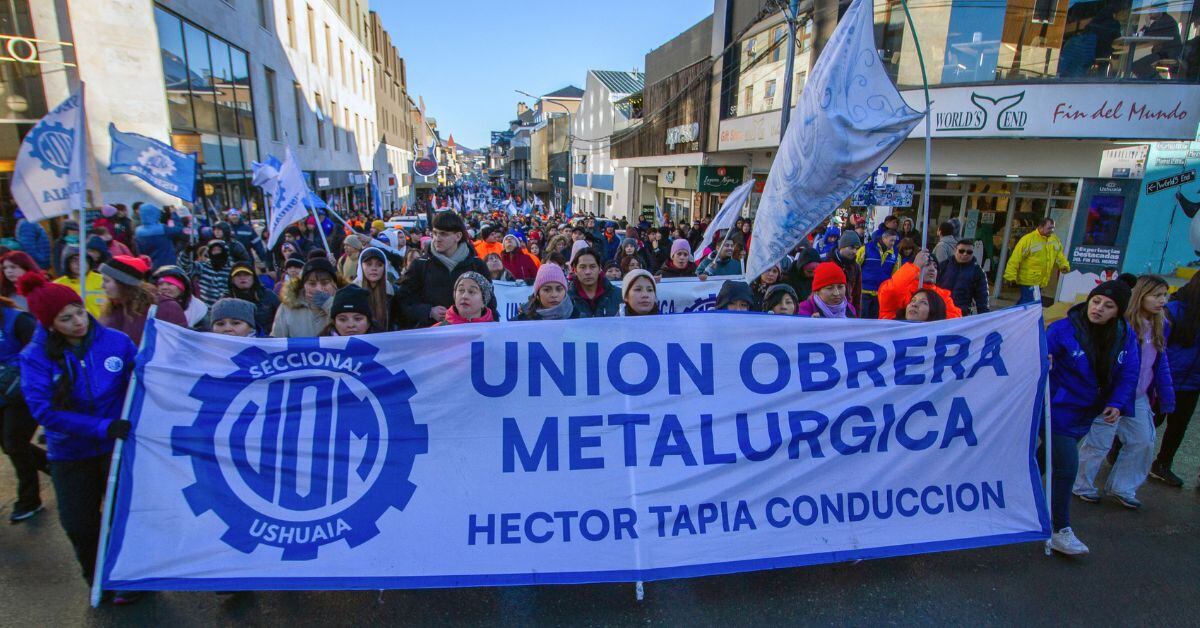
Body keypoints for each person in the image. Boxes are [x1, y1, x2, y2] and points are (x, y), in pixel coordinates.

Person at [18, 272, 136, 593]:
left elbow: (140, 383)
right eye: (65, 318)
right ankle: (96, 579)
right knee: (80, 525)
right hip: (70, 453)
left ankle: (126, 578)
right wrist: (101, 427)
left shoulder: (117, 342)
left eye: (79, 312)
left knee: (122, 517)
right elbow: (45, 412)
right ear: (49, 323)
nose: (77, 322)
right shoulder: (35, 357)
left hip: (117, 447)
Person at [1043, 281, 1138, 554]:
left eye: (1108, 306)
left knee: (1042, 459)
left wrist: (1118, 403)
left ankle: (1014, 500)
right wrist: (1043, 359)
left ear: (1118, 312)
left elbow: (1129, 372)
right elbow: (1038, 360)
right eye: (1096, 301)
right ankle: (1060, 529)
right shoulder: (1063, 329)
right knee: (1066, 466)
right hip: (1055, 410)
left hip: (1086, 412)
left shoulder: (1124, 335)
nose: (1098, 308)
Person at [1074, 275, 1172, 509]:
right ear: (1141, 295)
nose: (1162, 301)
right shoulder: (1122, 325)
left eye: (1164, 296)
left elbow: (1160, 363)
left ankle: (1123, 486)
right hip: (1111, 395)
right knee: (1099, 442)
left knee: (1144, 441)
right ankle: (1081, 484)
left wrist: (1167, 395)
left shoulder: (1159, 325)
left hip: (1138, 396)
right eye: (1156, 295)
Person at [396, 212, 491, 328]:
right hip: (432, 337)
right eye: (434, 233)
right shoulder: (420, 265)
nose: (437, 239)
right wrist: (428, 311)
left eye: (443, 234)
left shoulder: (477, 265)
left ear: (458, 236)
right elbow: (403, 300)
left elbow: (490, 302)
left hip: (470, 336)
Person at [0, 293, 45, 522]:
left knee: (14, 444)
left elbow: (38, 352)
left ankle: (29, 500)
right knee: (10, 446)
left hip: (22, 394)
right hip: (3, 395)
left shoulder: (17, 319)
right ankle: (56, 467)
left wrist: (11, 372)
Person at [1152, 274, 1200, 486]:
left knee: (1178, 426)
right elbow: (1157, 345)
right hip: (1166, 377)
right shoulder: (1173, 310)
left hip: (1193, 383)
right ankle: (1119, 451)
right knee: (1151, 421)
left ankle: (1163, 465)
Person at [98, 255, 188, 345]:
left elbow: (179, 345)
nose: (102, 286)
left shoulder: (165, 308)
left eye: (106, 281)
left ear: (123, 284)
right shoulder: (112, 308)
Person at [878, 251, 963, 320]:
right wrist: (914, 267)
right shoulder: (902, 288)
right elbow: (889, 293)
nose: (932, 269)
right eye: (926, 264)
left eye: (935, 266)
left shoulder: (943, 295)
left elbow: (955, 320)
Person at [272, 257, 344, 338]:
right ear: (303, 286)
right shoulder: (287, 308)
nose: (319, 289)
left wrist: (329, 303)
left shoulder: (347, 303)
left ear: (334, 284)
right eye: (312, 284)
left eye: (324, 283)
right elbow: (277, 341)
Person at [1004, 218, 1069, 305]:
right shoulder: (1028, 240)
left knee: (1026, 302)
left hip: (1041, 280)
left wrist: (1064, 266)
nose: (1052, 230)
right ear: (1040, 227)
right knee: (1030, 303)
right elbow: (1015, 259)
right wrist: (1010, 276)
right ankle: (1018, 316)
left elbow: (1059, 256)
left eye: (1053, 228)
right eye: (1049, 228)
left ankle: (1013, 316)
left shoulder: (1054, 240)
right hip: (1028, 280)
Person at [937, 240, 990, 315]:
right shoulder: (944, 265)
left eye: (969, 252)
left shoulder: (978, 271)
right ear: (955, 250)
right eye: (961, 251)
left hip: (961, 313)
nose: (965, 254)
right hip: (940, 309)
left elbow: (983, 297)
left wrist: (985, 318)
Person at [856, 230, 900, 318]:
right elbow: (855, 267)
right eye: (891, 240)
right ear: (884, 238)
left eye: (894, 241)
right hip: (864, 292)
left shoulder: (896, 255)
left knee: (876, 320)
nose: (893, 243)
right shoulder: (866, 249)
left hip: (881, 294)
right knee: (861, 318)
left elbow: (896, 277)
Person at [228, 261, 280, 334]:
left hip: (267, 340)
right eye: (238, 275)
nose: (242, 278)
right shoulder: (226, 301)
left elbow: (282, 318)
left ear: (254, 278)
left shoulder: (269, 295)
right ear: (232, 280)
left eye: (246, 274)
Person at [53, 248, 106, 319]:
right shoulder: (58, 285)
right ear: (67, 264)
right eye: (74, 260)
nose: (79, 263)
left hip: (102, 325)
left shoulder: (103, 280)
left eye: (83, 259)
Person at [569, 247, 621, 318]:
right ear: (575, 270)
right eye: (582, 267)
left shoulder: (618, 295)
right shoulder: (567, 299)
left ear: (599, 268)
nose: (588, 272)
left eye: (592, 266)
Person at [133, 204, 184, 270]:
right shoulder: (162, 229)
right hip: (167, 264)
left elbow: (139, 252)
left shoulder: (137, 231)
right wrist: (174, 213)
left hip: (149, 267)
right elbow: (179, 229)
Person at [833, 231, 863, 313]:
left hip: (848, 310)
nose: (854, 251)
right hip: (829, 309)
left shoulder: (856, 267)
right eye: (851, 247)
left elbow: (857, 294)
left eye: (857, 249)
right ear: (841, 247)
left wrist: (856, 315)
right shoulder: (829, 262)